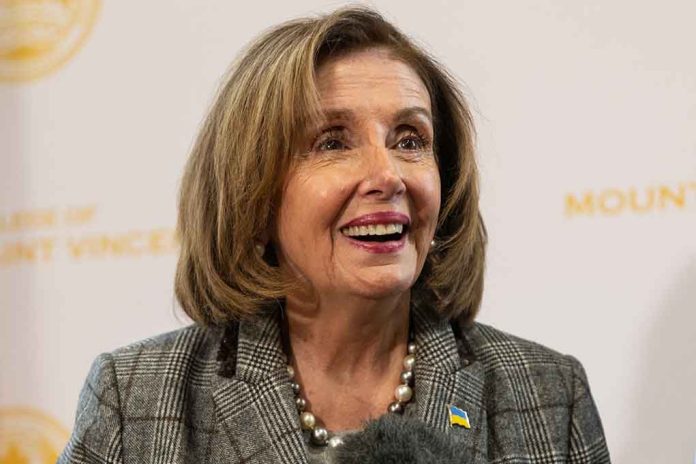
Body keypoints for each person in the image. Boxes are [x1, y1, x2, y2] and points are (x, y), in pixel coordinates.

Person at [59, 7, 610, 464]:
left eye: (410, 138)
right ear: (253, 189)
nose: (388, 175)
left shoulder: (547, 395)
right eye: (332, 142)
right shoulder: (135, 402)